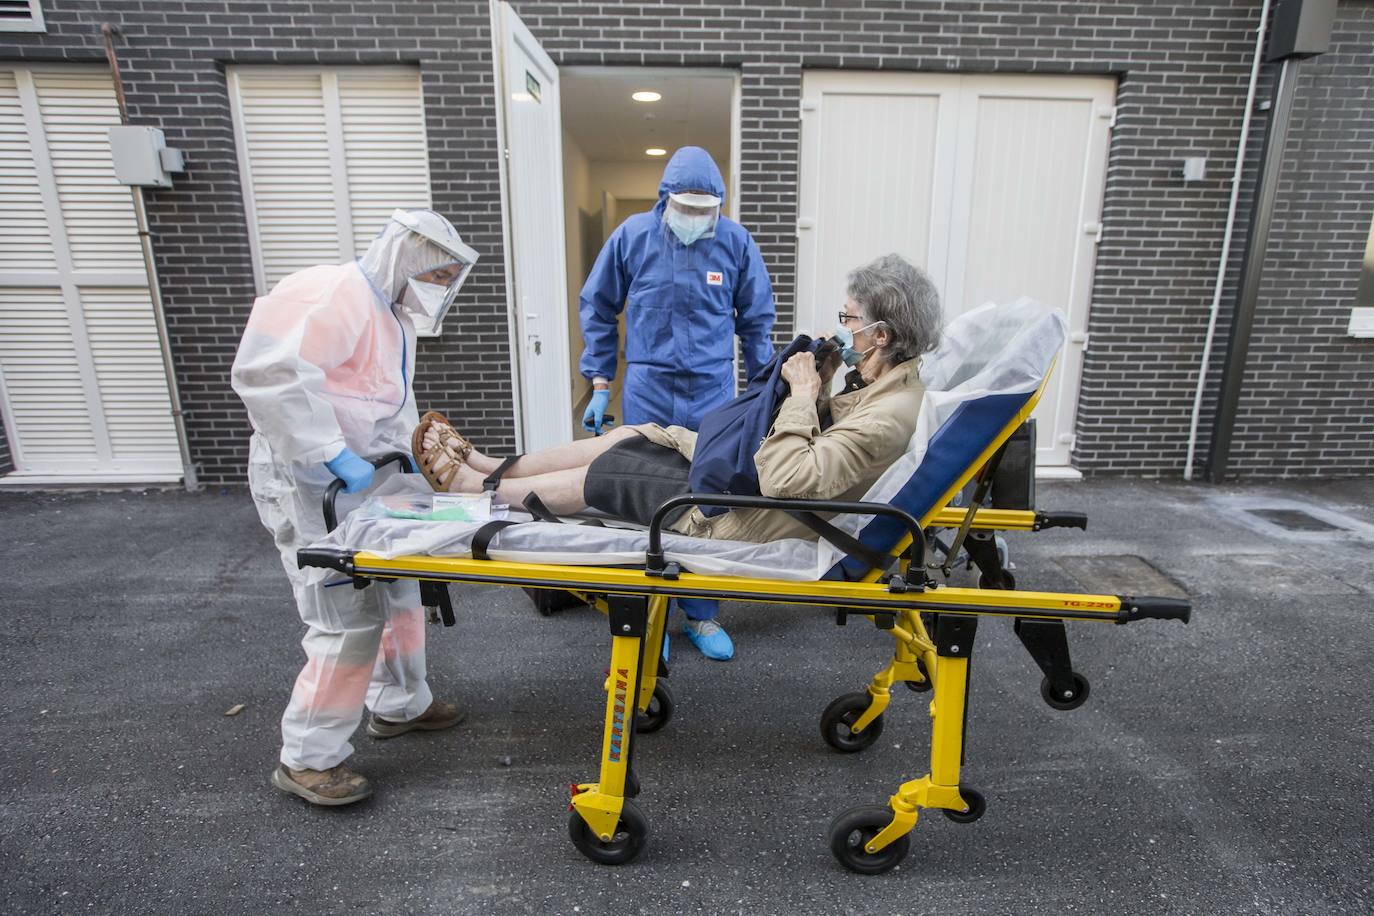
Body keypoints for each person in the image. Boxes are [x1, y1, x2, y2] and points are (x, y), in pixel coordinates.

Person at [415, 254, 939, 553]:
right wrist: (819, 386)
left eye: (849, 319)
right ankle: (490, 467)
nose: (842, 328)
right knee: (633, 435)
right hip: (749, 476)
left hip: (750, 510)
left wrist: (803, 393)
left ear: (882, 334)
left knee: (610, 473)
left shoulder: (891, 415)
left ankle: (476, 491)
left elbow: (789, 480)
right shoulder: (875, 383)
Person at [231, 208, 479, 807]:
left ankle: (399, 705)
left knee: (397, 592)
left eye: (448, 278)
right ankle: (309, 758)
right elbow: (270, 372)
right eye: (438, 274)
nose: (441, 287)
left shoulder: (390, 315)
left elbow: (379, 400)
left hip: (370, 481)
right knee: (343, 617)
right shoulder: (332, 291)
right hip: (310, 482)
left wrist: (414, 460)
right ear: (409, 259)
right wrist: (332, 452)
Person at [578, 146, 776, 660]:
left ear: (718, 206)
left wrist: (763, 391)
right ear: (665, 200)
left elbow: (756, 321)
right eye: (685, 207)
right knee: (639, 494)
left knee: (707, 499)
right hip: (647, 385)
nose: (693, 218)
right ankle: (649, 618)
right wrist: (600, 382)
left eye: (703, 210)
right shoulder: (631, 238)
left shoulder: (734, 242)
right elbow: (598, 306)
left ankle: (702, 614)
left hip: (711, 389)